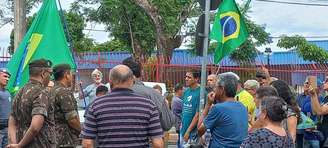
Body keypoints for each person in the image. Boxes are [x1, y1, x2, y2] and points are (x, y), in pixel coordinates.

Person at [81, 65, 163, 148]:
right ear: (132, 80)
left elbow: (87, 143)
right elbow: (158, 144)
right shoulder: (149, 105)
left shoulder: (95, 106)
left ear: (110, 81)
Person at [7, 59, 56, 148]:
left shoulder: (19, 92)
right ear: (43, 73)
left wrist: (16, 144)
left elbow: (12, 123)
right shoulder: (41, 92)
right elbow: (35, 127)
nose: (51, 77)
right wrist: (19, 145)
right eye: (50, 74)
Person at [122, 57, 174, 131]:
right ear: (141, 72)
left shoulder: (109, 97)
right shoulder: (154, 95)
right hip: (145, 140)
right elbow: (167, 124)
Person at [198, 74, 248, 148]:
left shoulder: (218, 108)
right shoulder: (242, 107)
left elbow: (199, 130)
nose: (213, 90)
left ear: (222, 89)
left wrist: (208, 105)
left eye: (215, 87)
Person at [50, 64, 81, 147]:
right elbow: (72, 120)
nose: (72, 77)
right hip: (64, 139)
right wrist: (82, 131)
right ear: (66, 75)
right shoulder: (64, 92)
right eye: (71, 74)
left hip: (52, 137)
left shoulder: (50, 90)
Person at [297, 78, 323, 148]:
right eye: (307, 83)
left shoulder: (320, 98)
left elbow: (319, 114)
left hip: (315, 135)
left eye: (310, 84)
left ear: (318, 87)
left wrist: (314, 126)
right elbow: (303, 111)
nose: (308, 86)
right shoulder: (307, 97)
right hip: (306, 133)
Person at [181, 69, 201, 146]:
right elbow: (184, 111)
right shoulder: (186, 92)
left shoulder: (201, 92)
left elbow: (198, 114)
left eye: (189, 77)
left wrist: (188, 131)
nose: (186, 79)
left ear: (196, 79)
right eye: (186, 77)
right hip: (183, 130)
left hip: (192, 134)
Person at [308, 78, 328, 147]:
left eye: (326, 81)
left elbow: (320, 111)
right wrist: (312, 95)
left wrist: (314, 95)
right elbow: (315, 111)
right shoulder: (326, 98)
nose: (324, 82)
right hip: (323, 133)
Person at [0, 68, 11, 148]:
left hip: (7, 128)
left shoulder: (7, 92)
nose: (7, 79)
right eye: (5, 76)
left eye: (8, 77)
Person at [171, 83, 183, 147]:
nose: (183, 92)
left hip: (176, 123)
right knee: (179, 142)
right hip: (178, 124)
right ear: (179, 90)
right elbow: (186, 109)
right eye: (182, 90)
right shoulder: (177, 100)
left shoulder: (174, 99)